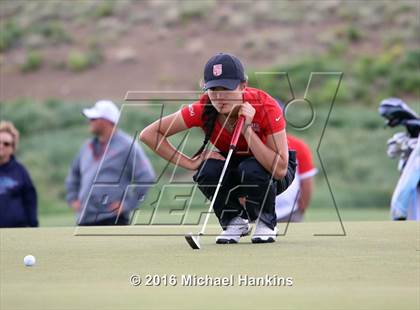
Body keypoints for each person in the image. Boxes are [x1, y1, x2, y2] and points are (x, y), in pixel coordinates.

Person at [140, 53, 296, 244]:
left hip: (273, 170)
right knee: (207, 170)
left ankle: (265, 222)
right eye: (213, 89)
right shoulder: (204, 109)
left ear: (243, 86)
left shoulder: (266, 106)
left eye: (226, 89)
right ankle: (235, 222)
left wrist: (247, 129)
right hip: (234, 164)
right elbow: (149, 134)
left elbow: (280, 170)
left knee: (251, 168)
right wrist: (190, 163)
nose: (219, 97)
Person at [65, 100, 156, 225]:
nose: (89, 121)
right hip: (84, 218)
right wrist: (72, 197)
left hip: (113, 219)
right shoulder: (87, 146)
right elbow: (74, 174)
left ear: (106, 121)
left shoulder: (127, 146)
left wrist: (128, 204)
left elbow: (146, 176)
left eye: (93, 118)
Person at [0, 121, 38, 228]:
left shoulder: (20, 172)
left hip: (17, 231)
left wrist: (33, 226)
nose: (1, 146)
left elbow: (30, 201)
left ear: (13, 148)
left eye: (6, 143)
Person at [275, 134, 317, 222]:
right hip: (257, 214)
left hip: (290, 213)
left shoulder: (298, 146)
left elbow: (307, 179)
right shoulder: (253, 143)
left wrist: (302, 206)